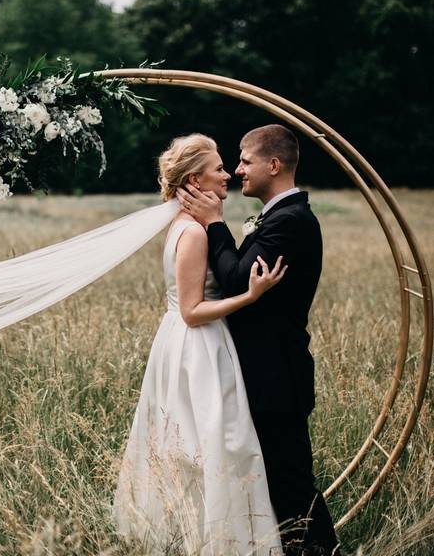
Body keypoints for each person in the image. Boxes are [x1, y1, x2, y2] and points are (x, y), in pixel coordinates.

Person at [113, 133, 287, 555]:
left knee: (198, 445)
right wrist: (250, 296)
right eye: (218, 169)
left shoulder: (186, 226)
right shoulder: (192, 233)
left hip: (189, 342)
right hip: (198, 347)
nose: (227, 174)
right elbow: (192, 310)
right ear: (195, 180)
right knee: (211, 444)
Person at [176, 124, 341, 556]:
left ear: (273, 164)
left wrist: (214, 223)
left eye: (245, 160)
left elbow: (234, 281)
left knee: (291, 483)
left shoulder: (290, 222)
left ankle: (321, 551)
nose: (237, 169)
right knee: (276, 480)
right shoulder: (277, 218)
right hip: (264, 371)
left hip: (276, 375)